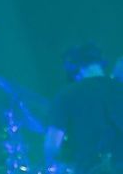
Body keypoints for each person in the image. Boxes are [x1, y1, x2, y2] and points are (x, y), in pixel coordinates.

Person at [44, 44, 123, 174]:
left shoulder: (66, 95)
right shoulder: (119, 88)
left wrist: (52, 164)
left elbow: (52, 146)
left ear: (75, 71)